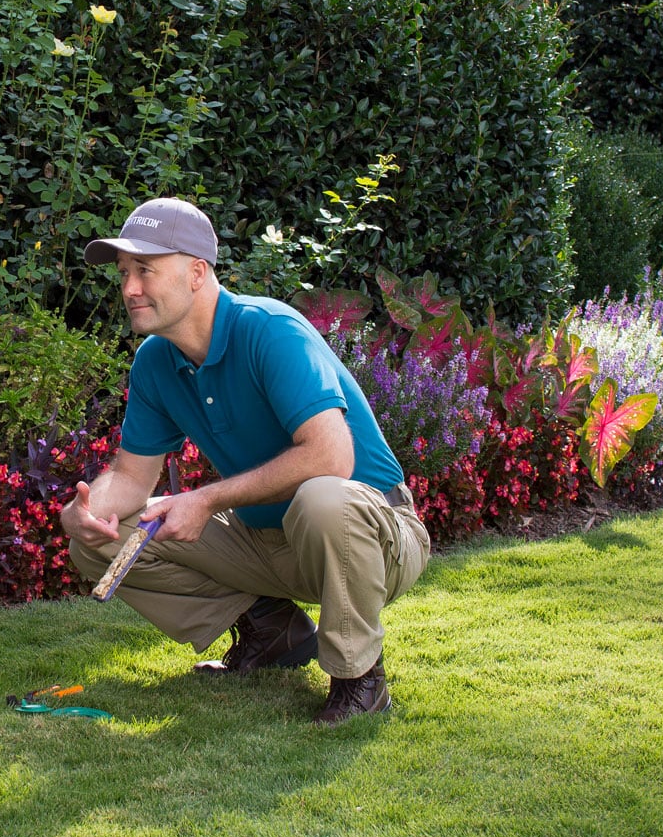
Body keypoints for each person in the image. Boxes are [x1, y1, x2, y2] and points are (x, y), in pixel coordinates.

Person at [59, 197, 431, 724]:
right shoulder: (155, 362)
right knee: (104, 538)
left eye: (145, 270)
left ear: (197, 273)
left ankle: (359, 678)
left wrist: (205, 500)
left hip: (373, 535)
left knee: (323, 498)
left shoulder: (269, 330)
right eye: (123, 273)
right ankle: (271, 629)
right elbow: (129, 477)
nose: (129, 288)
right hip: (265, 540)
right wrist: (85, 512)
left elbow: (332, 456)